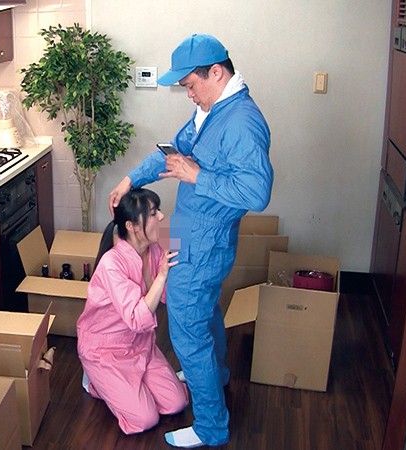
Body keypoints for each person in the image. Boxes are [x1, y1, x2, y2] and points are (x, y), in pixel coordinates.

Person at [109, 34, 274, 448]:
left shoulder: (242, 121)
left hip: (205, 241)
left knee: (186, 331)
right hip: (185, 227)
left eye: (190, 85)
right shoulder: (209, 111)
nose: (188, 94)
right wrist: (130, 179)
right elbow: (172, 153)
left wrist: (197, 175)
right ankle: (215, 374)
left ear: (216, 72)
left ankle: (211, 427)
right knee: (204, 310)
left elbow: (257, 193)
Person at [76, 188, 188, 435]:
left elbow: (182, 228)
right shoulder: (112, 263)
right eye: (153, 213)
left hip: (140, 345)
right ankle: (95, 381)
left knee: (176, 402)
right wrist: (162, 275)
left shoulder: (155, 247)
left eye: (158, 210)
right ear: (132, 226)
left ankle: (130, 386)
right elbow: (137, 319)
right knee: (145, 419)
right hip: (105, 351)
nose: (161, 216)